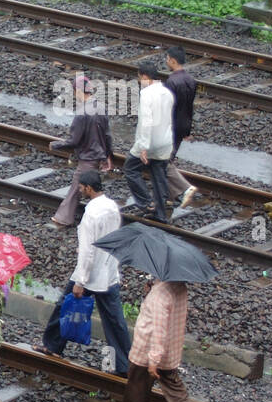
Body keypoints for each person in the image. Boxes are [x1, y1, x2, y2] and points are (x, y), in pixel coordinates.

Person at [34, 171, 132, 375]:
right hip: (109, 272)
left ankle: (53, 346)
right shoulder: (113, 207)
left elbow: (88, 251)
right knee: (114, 322)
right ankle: (123, 364)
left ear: (88, 188)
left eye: (81, 187)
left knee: (64, 307)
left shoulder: (91, 213)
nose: (79, 190)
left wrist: (81, 281)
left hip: (90, 274)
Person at [120, 279, 210, 402]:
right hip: (171, 351)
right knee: (175, 390)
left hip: (147, 352)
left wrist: (153, 359)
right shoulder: (180, 286)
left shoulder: (160, 295)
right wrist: (152, 288)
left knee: (136, 388)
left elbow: (159, 329)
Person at [49, 74, 111, 227]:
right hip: (98, 156)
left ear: (78, 91)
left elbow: (74, 141)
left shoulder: (82, 112)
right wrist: (108, 155)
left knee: (77, 188)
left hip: (88, 157)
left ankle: (64, 218)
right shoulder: (101, 107)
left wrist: (55, 145)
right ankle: (101, 217)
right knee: (93, 187)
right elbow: (107, 135)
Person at [124, 64, 174, 223]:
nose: (140, 82)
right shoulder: (167, 92)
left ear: (145, 77)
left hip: (149, 141)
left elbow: (146, 121)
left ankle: (147, 203)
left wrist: (144, 147)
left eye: (140, 78)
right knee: (159, 177)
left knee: (130, 169)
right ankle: (160, 215)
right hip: (165, 141)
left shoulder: (146, 93)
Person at [162, 46, 199, 210]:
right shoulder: (191, 80)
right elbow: (189, 107)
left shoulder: (171, 82)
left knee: (163, 162)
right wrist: (187, 131)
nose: (166, 61)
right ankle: (169, 197)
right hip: (183, 126)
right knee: (168, 159)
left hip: (170, 126)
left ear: (173, 61)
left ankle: (184, 189)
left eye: (167, 58)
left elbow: (168, 108)